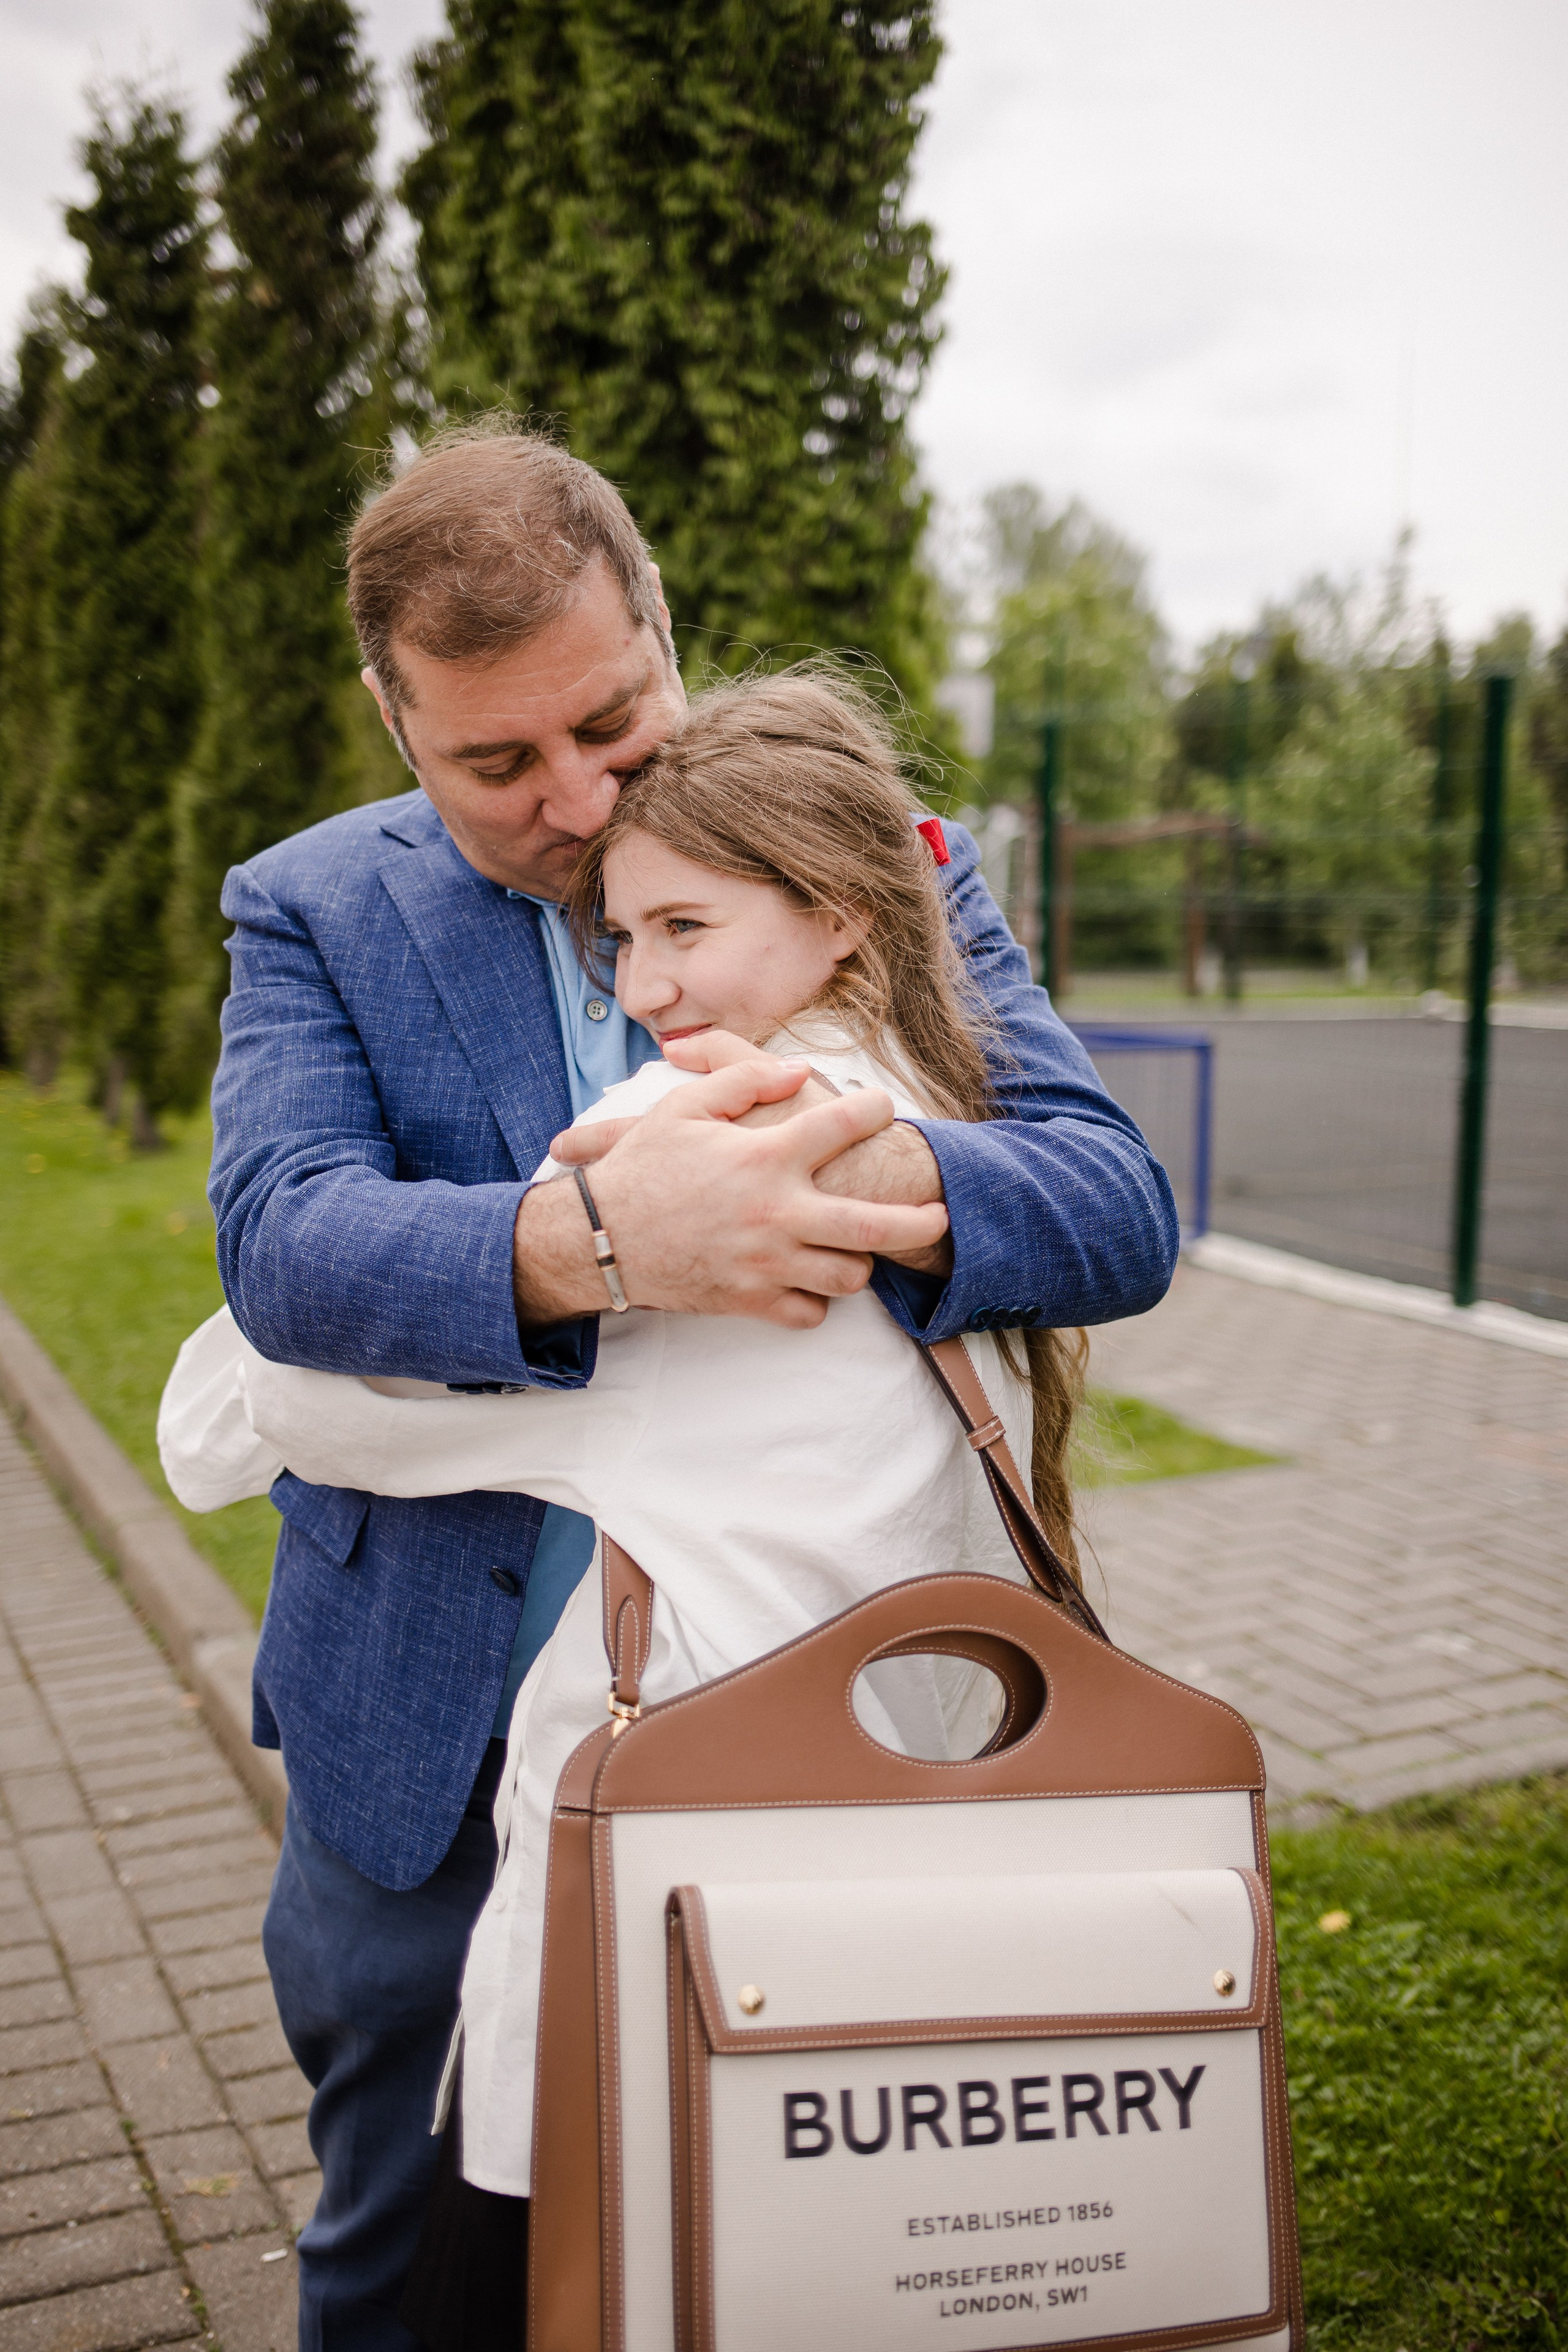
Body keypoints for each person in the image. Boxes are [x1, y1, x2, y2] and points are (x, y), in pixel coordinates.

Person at [205, 416, 1178, 2348]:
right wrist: (603, 1248)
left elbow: (1116, 1202)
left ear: (657, 622)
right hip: (439, 1727)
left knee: (792, 2232)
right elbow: (281, 1248)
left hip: (814, 1724)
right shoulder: (311, 907)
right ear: (397, 724)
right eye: (498, 762)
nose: (575, 803)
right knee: (415, 2243)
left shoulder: (873, 858)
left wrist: (855, 1177)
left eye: (613, 722)